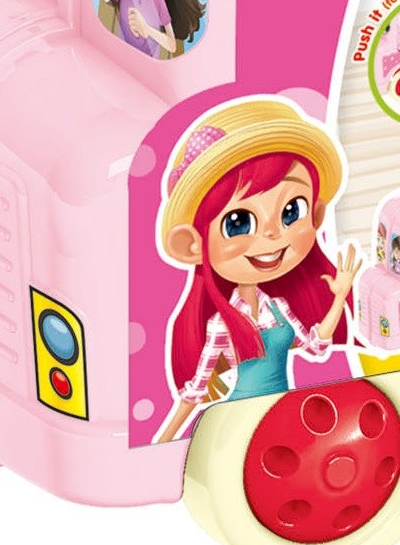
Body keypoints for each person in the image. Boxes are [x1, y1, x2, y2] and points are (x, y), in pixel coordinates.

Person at [153, 98, 360, 444]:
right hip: (242, 419)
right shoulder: (221, 324)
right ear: (193, 245)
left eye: (292, 211)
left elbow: (314, 346)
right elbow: (197, 389)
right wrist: (163, 441)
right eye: (238, 222)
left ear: (316, 216)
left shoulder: (278, 309)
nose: (273, 235)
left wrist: (339, 297)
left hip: (283, 409)